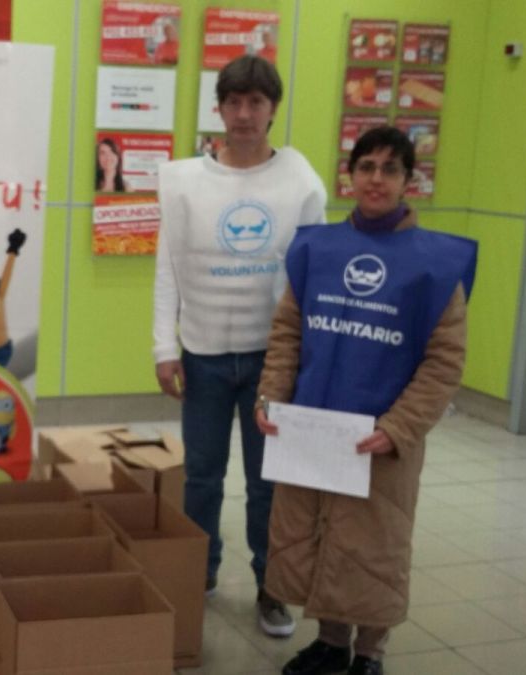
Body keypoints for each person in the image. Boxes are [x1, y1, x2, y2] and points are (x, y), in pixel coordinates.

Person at [254, 127, 476, 675]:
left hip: (382, 438)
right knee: (322, 536)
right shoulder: (315, 249)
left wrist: (398, 428)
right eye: (367, 167)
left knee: (375, 546)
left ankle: (370, 652)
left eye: (390, 169)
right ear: (350, 175)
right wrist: (270, 396)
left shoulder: (435, 265)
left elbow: (444, 362)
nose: (377, 179)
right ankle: (331, 642)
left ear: (409, 181)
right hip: (313, 428)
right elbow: (287, 334)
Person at [152, 54, 327, 638]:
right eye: (233, 102)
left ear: (273, 109)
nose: (244, 114)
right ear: (219, 109)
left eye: (256, 102)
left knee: (267, 483)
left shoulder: (302, 182)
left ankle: (271, 587)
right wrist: (164, 347)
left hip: (270, 361)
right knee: (201, 476)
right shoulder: (183, 182)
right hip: (201, 356)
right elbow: (167, 268)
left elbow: (312, 279)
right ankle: (198, 573)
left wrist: (306, 361)